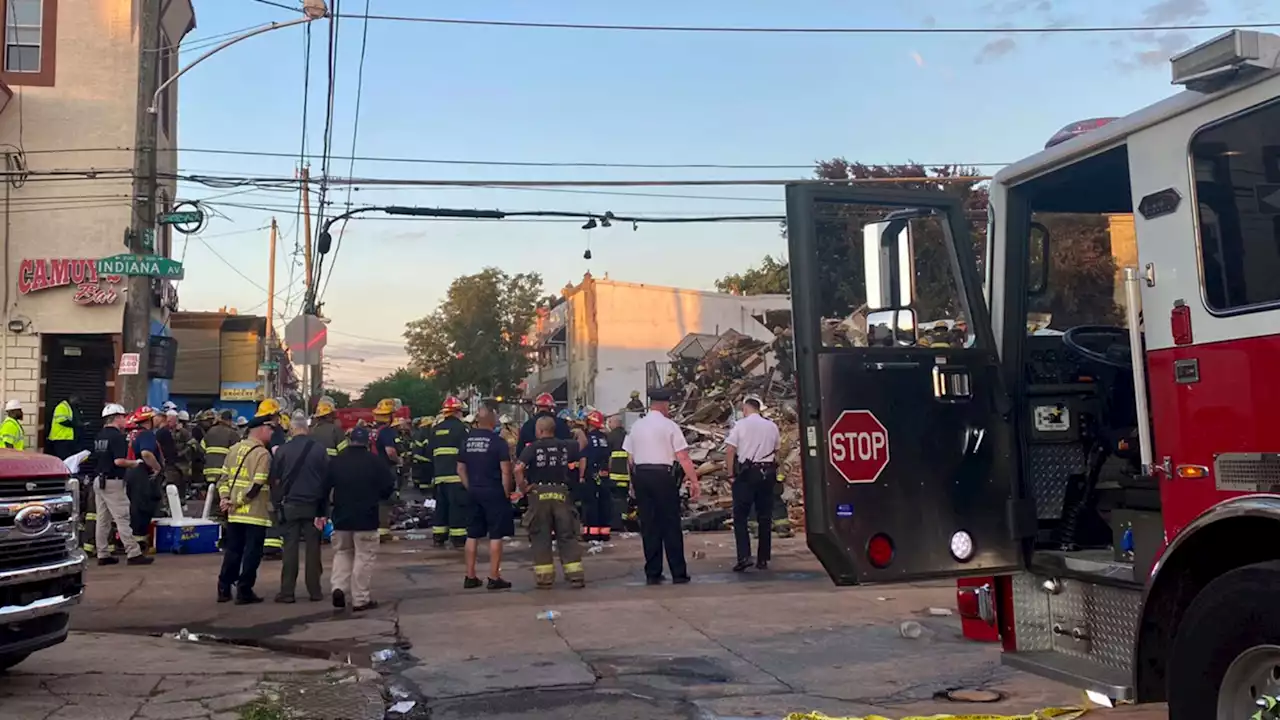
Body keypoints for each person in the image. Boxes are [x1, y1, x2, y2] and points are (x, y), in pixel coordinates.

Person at [624, 388, 701, 585]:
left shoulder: (637, 426)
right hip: (663, 477)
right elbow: (683, 456)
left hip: (642, 476)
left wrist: (632, 483)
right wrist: (693, 481)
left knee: (649, 526)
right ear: (664, 404)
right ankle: (678, 572)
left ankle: (653, 572)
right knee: (670, 525)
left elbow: (630, 459)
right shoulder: (670, 426)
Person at [324, 425, 396, 611]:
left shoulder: (337, 461)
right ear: (367, 442)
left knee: (342, 553)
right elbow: (388, 486)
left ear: (349, 441)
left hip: (341, 518)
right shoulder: (375, 462)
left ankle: (338, 587)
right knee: (364, 557)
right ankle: (360, 598)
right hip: (367, 518)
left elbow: (324, 487)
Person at [516, 416, 585, 589]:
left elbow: (518, 468)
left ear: (539, 431)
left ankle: (545, 578)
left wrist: (524, 487)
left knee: (541, 536)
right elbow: (583, 444)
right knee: (567, 535)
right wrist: (579, 431)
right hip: (561, 493)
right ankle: (575, 576)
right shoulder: (565, 445)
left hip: (539, 494)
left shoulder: (533, 448)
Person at [268, 410, 330, 603]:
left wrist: (277, 503)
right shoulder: (320, 450)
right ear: (307, 428)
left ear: (292, 429)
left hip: (290, 506)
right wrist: (325, 510)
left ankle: (287, 592)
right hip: (314, 506)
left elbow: (275, 480)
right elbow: (327, 481)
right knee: (313, 550)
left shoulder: (283, 450)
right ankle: (315, 591)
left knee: (290, 549)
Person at [217, 411, 277, 604]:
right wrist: (238, 501)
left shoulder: (233, 450)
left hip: (234, 514)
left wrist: (225, 499)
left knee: (233, 551)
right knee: (252, 553)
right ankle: (244, 590)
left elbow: (223, 479)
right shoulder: (262, 454)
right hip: (255, 513)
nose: (272, 433)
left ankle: (224, 588)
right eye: (270, 429)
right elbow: (257, 484)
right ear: (260, 430)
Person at [724, 396, 781, 572]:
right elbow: (777, 452)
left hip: (747, 474)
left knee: (740, 516)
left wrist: (730, 473)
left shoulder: (740, 425)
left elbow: (730, 449)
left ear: (746, 408)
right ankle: (763, 558)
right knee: (765, 517)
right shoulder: (772, 426)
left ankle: (744, 556)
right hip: (768, 473)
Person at [460, 406, 514, 590]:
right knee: (496, 534)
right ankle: (494, 576)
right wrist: (506, 492)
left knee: (472, 534)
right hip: (494, 491)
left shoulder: (466, 441)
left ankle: (470, 576)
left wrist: (470, 487)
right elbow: (506, 471)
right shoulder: (498, 442)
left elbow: (460, 468)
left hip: (474, 491)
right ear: (492, 421)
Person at [91, 404, 152, 566]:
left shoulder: (99, 436)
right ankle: (133, 552)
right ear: (117, 418)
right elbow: (118, 461)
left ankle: (103, 554)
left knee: (102, 520)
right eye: (123, 417)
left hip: (99, 480)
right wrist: (135, 463)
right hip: (113, 482)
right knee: (123, 518)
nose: (125, 420)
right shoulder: (117, 437)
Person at [428, 396, 470, 548]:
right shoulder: (462, 428)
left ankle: (439, 535)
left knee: (441, 507)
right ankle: (458, 538)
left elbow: (429, 453)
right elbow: (467, 452)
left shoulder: (435, 429)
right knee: (457, 507)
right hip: (456, 476)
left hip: (440, 476)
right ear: (457, 411)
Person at [127, 406, 164, 552]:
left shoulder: (131, 434)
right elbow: (146, 453)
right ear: (149, 420)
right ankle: (140, 544)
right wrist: (157, 468)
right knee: (142, 509)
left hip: (128, 473)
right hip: (142, 474)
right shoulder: (146, 435)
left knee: (132, 508)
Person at [580, 410, 614, 542]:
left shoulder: (587, 439)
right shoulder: (605, 438)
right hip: (604, 474)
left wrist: (581, 476)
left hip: (591, 474)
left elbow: (584, 459)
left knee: (590, 503)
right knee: (605, 502)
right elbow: (609, 459)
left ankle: (591, 532)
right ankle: (604, 532)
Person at [369, 398, 401, 543]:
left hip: (372, 469)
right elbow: (390, 452)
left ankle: (376, 529)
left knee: (375, 499)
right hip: (385, 468)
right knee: (386, 500)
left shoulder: (373, 431)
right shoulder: (387, 432)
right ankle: (383, 532)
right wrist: (398, 460)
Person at [516, 393, 570, 457]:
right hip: (558, 463)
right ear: (551, 408)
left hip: (534, 463)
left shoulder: (528, 425)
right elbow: (569, 447)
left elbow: (519, 451)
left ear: (537, 407)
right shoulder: (562, 424)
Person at [606, 415, 634, 531]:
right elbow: (631, 459)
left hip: (614, 476)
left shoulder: (610, 437)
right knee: (623, 499)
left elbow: (608, 458)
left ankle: (615, 523)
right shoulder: (628, 436)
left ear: (614, 423)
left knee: (614, 500)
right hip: (626, 476)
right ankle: (623, 521)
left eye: (610, 422)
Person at [155, 410, 184, 501]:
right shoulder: (167, 432)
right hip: (171, 464)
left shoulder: (161, 433)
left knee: (166, 487)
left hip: (167, 465)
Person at [48, 395, 80, 459]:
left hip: (66, 438)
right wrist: (76, 424)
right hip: (60, 438)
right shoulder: (62, 407)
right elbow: (62, 421)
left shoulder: (69, 407)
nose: (78, 403)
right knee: (64, 460)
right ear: (73, 398)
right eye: (78, 400)